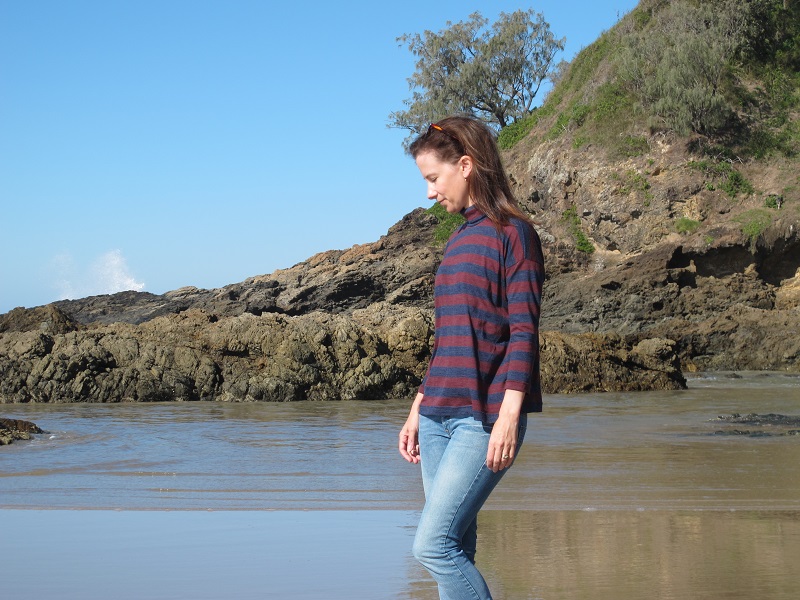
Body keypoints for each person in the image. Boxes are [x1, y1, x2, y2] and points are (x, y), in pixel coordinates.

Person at [398, 115, 544, 600]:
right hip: (437, 415)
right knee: (456, 546)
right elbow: (450, 336)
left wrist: (509, 416)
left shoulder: (514, 235)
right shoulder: (458, 239)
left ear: (465, 166)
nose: (429, 193)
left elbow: (523, 331)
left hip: (483, 418)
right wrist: (418, 406)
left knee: (433, 546)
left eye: (433, 178)